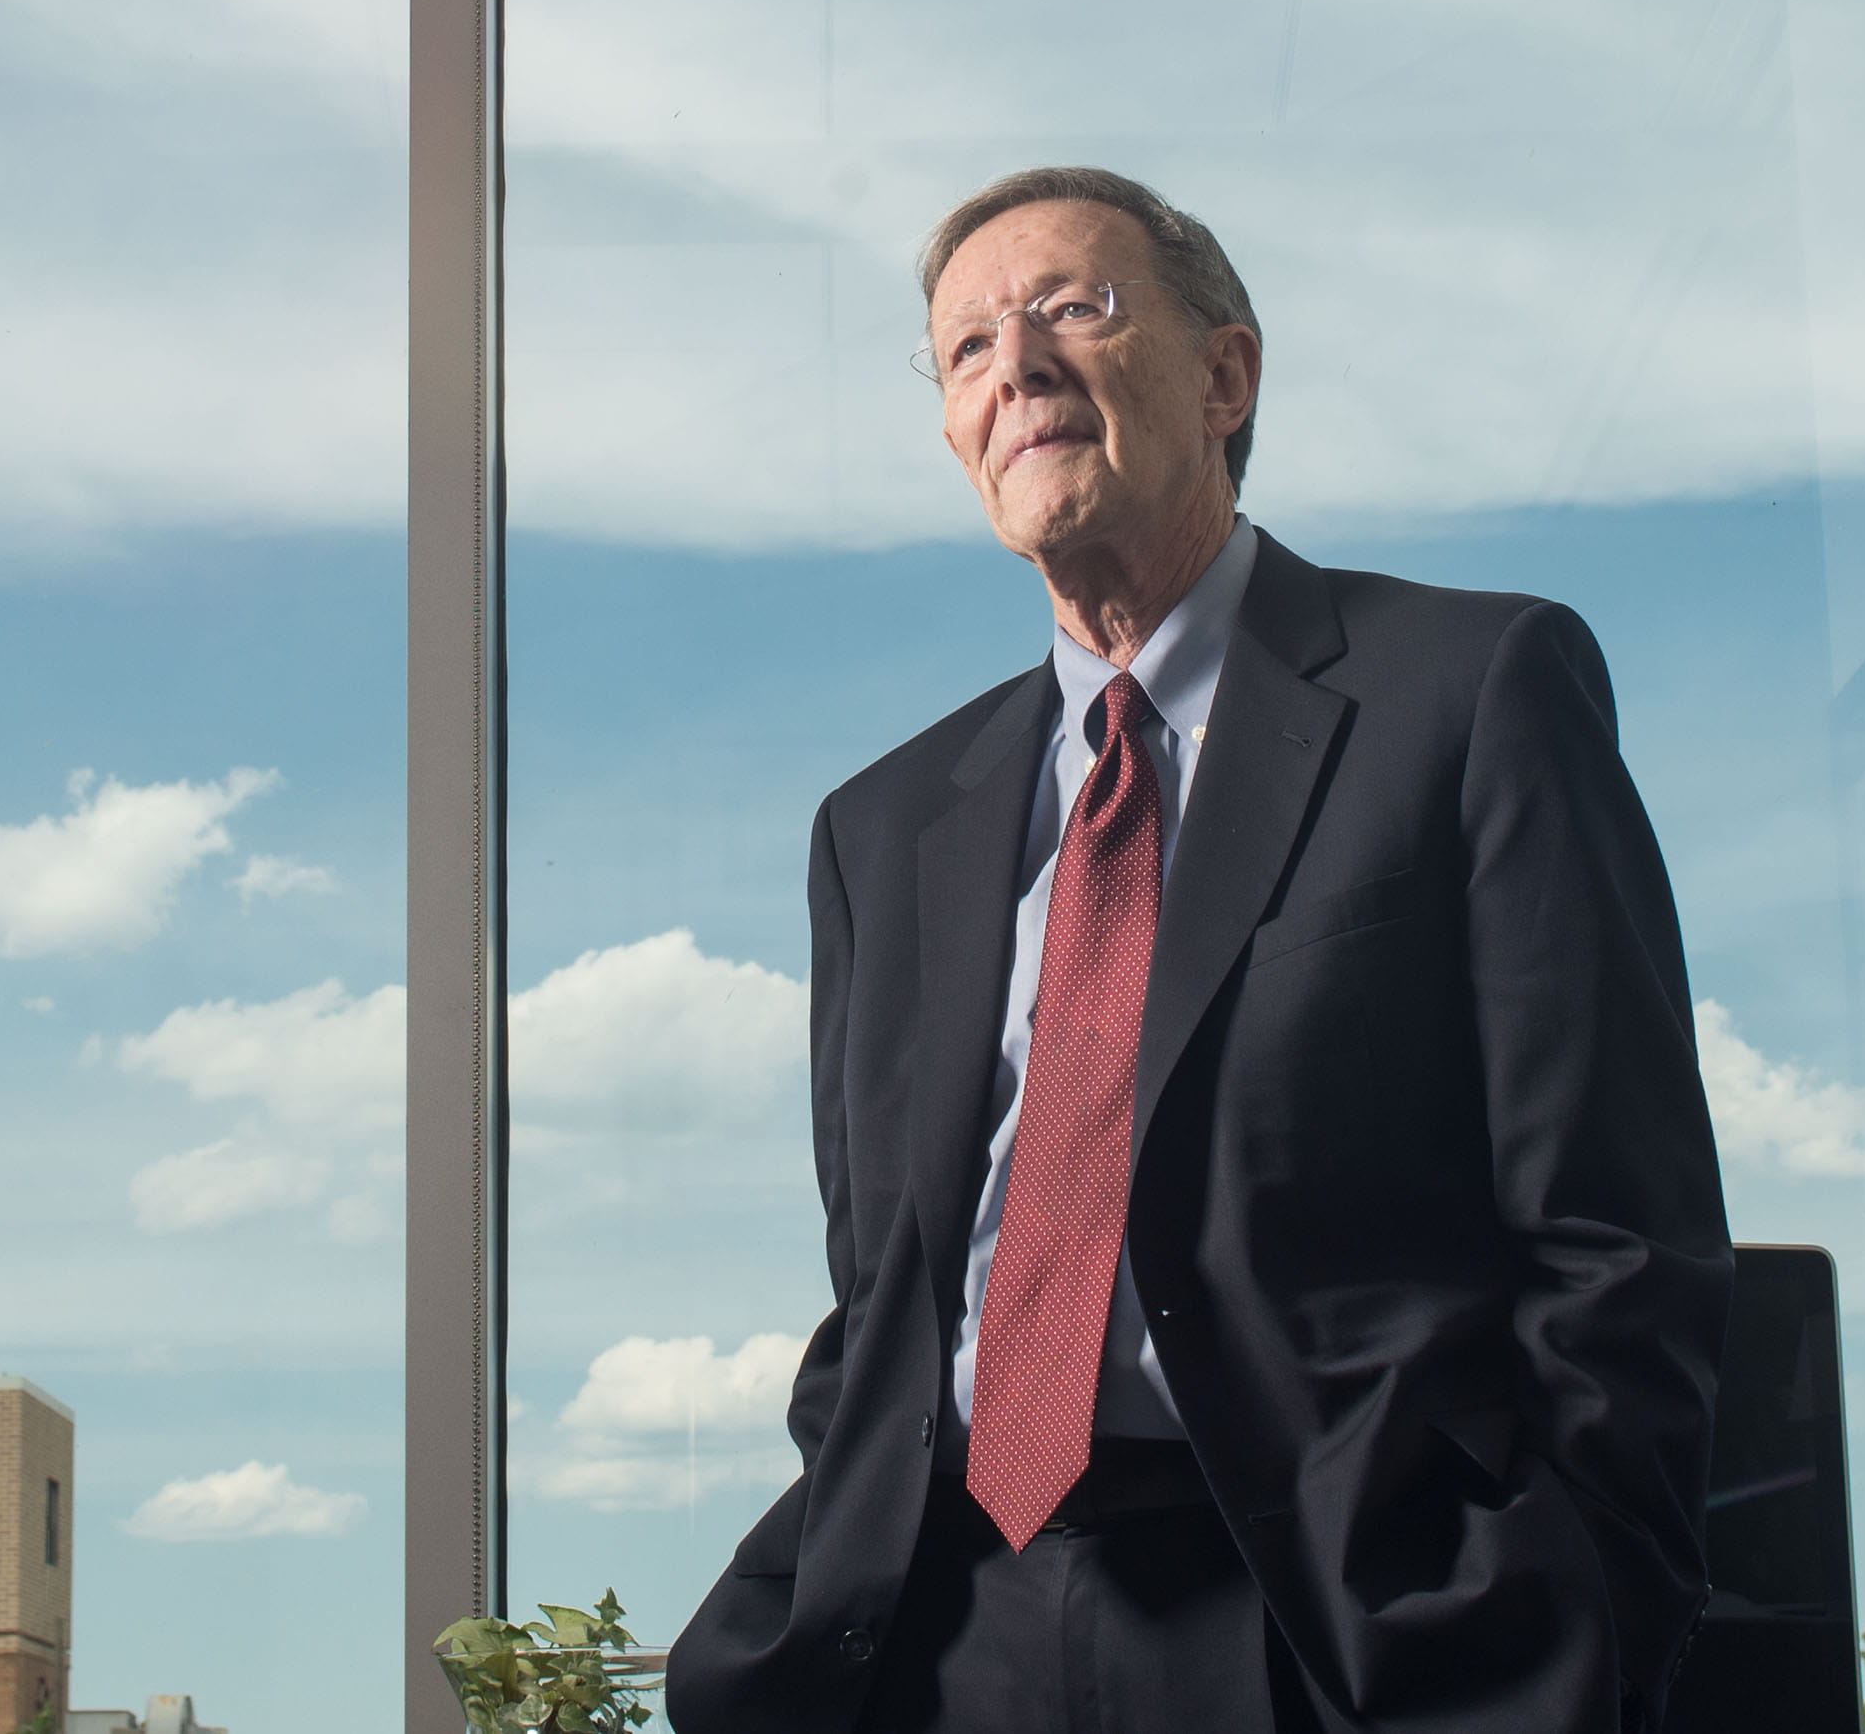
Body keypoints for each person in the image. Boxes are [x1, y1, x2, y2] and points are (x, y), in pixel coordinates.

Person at [665, 167, 1732, 1733]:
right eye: (964, 348)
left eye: (1071, 310)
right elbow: (880, 1289)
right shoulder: (881, 830)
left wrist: (1572, 1620)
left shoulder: (1475, 689)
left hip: (1332, 1627)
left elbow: (1617, 1237)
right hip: (937, 1628)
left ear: (1226, 372)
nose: (1012, 365)